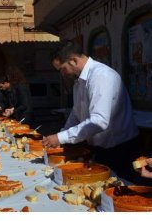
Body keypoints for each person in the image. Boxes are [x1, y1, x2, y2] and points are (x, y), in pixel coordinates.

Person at [42, 41, 140, 182]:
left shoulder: (101, 76)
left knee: (118, 191)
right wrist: (60, 137)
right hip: (100, 149)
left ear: (73, 61)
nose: (63, 74)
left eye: (62, 69)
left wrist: (61, 137)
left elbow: (99, 121)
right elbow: (76, 114)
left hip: (121, 150)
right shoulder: (79, 82)